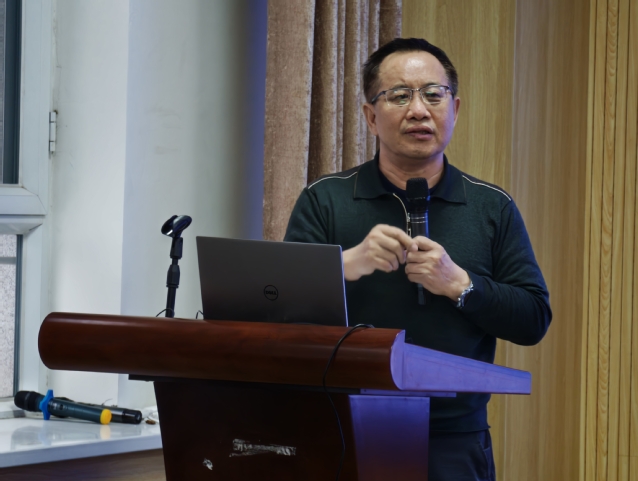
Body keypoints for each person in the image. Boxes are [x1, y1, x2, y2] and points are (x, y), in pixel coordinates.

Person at [284, 38, 551, 481]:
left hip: (453, 439)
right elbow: (278, 309)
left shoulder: (491, 206)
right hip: (340, 428)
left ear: (455, 109)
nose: (419, 110)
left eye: (433, 94)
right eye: (399, 96)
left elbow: (533, 318)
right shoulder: (325, 199)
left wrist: (461, 285)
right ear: (371, 116)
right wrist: (345, 265)